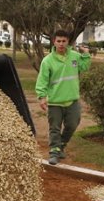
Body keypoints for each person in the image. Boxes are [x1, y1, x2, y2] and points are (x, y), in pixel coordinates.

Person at [35, 30, 91, 165]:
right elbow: (42, 80)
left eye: (64, 41)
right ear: (54, 42)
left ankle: (60, 146)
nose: (61, 44)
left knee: (72, 125)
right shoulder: (47, 61)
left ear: (68, 42)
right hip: (55, 102)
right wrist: (42, 97)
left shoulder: (75, 56)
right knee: (54, 128)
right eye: (58, 41)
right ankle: (54, 153)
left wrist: (86, 54)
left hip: (72, 101)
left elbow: (84, 67)